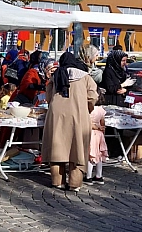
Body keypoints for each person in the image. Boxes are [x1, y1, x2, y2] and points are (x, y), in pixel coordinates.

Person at [43, 52, 98, 192]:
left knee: (57, 148)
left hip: (57, 115)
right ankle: (75, 183)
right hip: (78, 115)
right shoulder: (85, 77)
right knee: (77, 148)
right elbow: (93, 96)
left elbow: (48, 97)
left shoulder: (56, 75)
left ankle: (57, 181)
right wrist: (87, 108)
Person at [84, 100, 108, 186]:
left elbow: (87, 123)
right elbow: (103, 121)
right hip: (99, 134)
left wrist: (96, 127)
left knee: (90, 155)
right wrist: (101, 129)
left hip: (91, 133)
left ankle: (88, 176)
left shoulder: (88, 109)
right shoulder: (101, 109)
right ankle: (99, 175)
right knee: (99, 155)